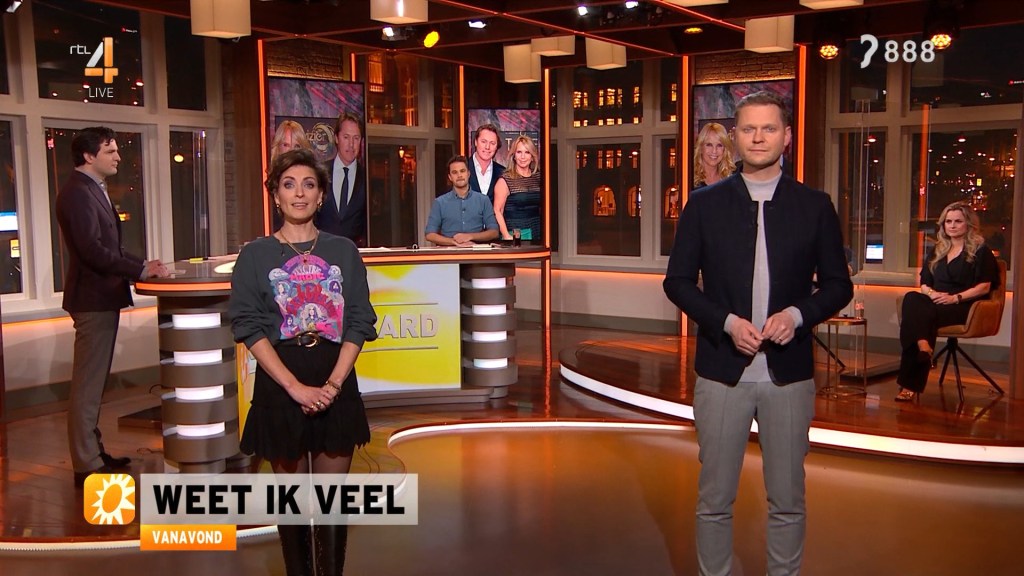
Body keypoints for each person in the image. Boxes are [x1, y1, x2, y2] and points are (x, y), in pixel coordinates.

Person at [663, 92, 852, 576]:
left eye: (769, 128)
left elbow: (838, 286)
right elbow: (677, 282)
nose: (759, 138)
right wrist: (726, 322)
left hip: (788, 378)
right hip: (721, 375)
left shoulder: (815, 206)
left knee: (787, 500)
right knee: (714, 500)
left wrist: (797, 315)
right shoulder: (703, 205)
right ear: (736, 137)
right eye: (748, 129)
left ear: (786, 137)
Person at [229, 148, 377, 574]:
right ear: (275, 195)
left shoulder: (343, 250)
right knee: (292, 504)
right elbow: (248, 326)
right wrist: (294, 388)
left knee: (331, 503)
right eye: (289, 185)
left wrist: (332, 385)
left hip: (335, 375)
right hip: (281, 379)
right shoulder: (254, 255)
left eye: (308, 185)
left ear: (321, 195)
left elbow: (359, 320)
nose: (299, 193)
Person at [55, 126, 169, 488]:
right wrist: (139, 270)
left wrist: (143, 265)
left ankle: (93, 451)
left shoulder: (92, 189)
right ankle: (86, 463)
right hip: (92, 299)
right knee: (88, 385)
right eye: (110, 151)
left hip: (102, 298)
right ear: (89, 156)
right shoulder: (77, 193)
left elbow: (111, 248)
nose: (118, 156)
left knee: (94, 383)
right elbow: (92, 251)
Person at [895, 201, 999, 401]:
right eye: (948, 221)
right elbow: (924, 283)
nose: (952, 225)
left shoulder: (980, 251)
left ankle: (910, 382)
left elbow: (984, 286)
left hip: (962, 305)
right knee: (912, 298)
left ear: (968, 224)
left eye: (958, 221)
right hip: (935, 302)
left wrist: (954, 298)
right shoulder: (938, 250)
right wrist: (932, 293)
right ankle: (923, 346)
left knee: (916, 319)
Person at [316, 112, 367, 247]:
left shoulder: (367, 178)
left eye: (356, 138)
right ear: (336, 138)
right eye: (346, 137)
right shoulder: (319, 173)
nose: (351, 144)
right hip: (322, 251)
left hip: (355, 253)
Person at [425, 155, 500, 246]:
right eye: (454, 172)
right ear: (450, 177)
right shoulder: (440, 202)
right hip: (449, 252)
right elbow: (430, 234)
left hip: (475, 251)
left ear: (468, 174)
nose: (459, 175)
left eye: (462, 171)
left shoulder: (483, 200)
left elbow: (494, 232)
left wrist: (470, 236)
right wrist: (453, 242)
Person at [492, 135, 542, 243]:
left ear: (532, 156)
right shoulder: (505, 179)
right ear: (514, 155)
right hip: (516, 233)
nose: (523, 157)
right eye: (519, 152)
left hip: (538, 231)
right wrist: (506, 235)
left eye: (527, 152)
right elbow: (497, 210)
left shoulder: (539, 177)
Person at [468, 123, 505, 202]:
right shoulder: (462, 168)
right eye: (483, 142)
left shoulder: (503, 173)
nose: (487, 147)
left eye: (492, 143)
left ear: (496, 147)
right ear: (476, 142)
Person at [693, 122, 736, 189]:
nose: (714, 151)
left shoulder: (731, 180)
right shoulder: (689, 178)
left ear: (725, 149)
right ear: (701, 148)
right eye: (709, 145)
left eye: (719, 145)